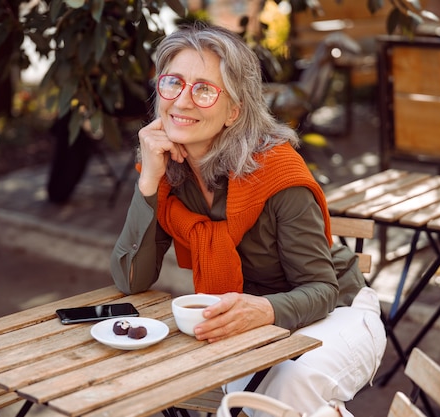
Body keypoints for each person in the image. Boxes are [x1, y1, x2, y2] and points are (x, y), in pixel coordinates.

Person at [110, 22, 386, 417]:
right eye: (173, 83)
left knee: (287, 387)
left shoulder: (276, 173)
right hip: (247, 326)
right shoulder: (167, 173)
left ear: (233, 111)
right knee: (251, 401)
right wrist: (149, 182)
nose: (183, 101)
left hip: (338, 313)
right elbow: (131, 279)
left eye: (204, 89)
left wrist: (265, 310)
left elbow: (322, 289)